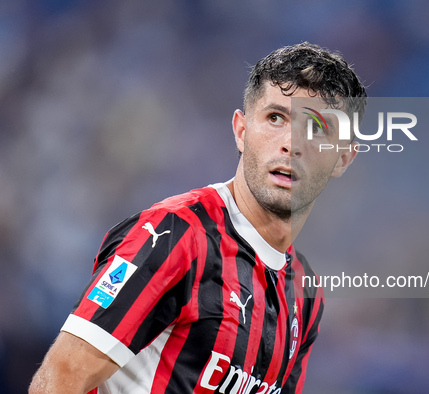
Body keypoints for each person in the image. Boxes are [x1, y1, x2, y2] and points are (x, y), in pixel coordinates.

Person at [29, 42, 367, 394]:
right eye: (276, 118)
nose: (291, 144)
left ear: (343, 158)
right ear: (241, 130)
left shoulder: (305, 293)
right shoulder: (174, 235)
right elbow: (58, 380)